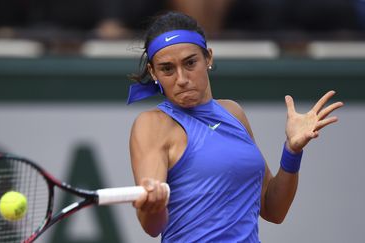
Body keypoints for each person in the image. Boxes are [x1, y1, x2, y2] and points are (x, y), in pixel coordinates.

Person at [126, 11, 344, 242]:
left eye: (190, 63)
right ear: (153, 72)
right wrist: (155, 206)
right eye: (167, 69)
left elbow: (273, 209)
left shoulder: (233, 112)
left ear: (208, 58)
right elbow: (151, 227)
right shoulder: (151, 124)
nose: (181, 78)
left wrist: (292, 151)